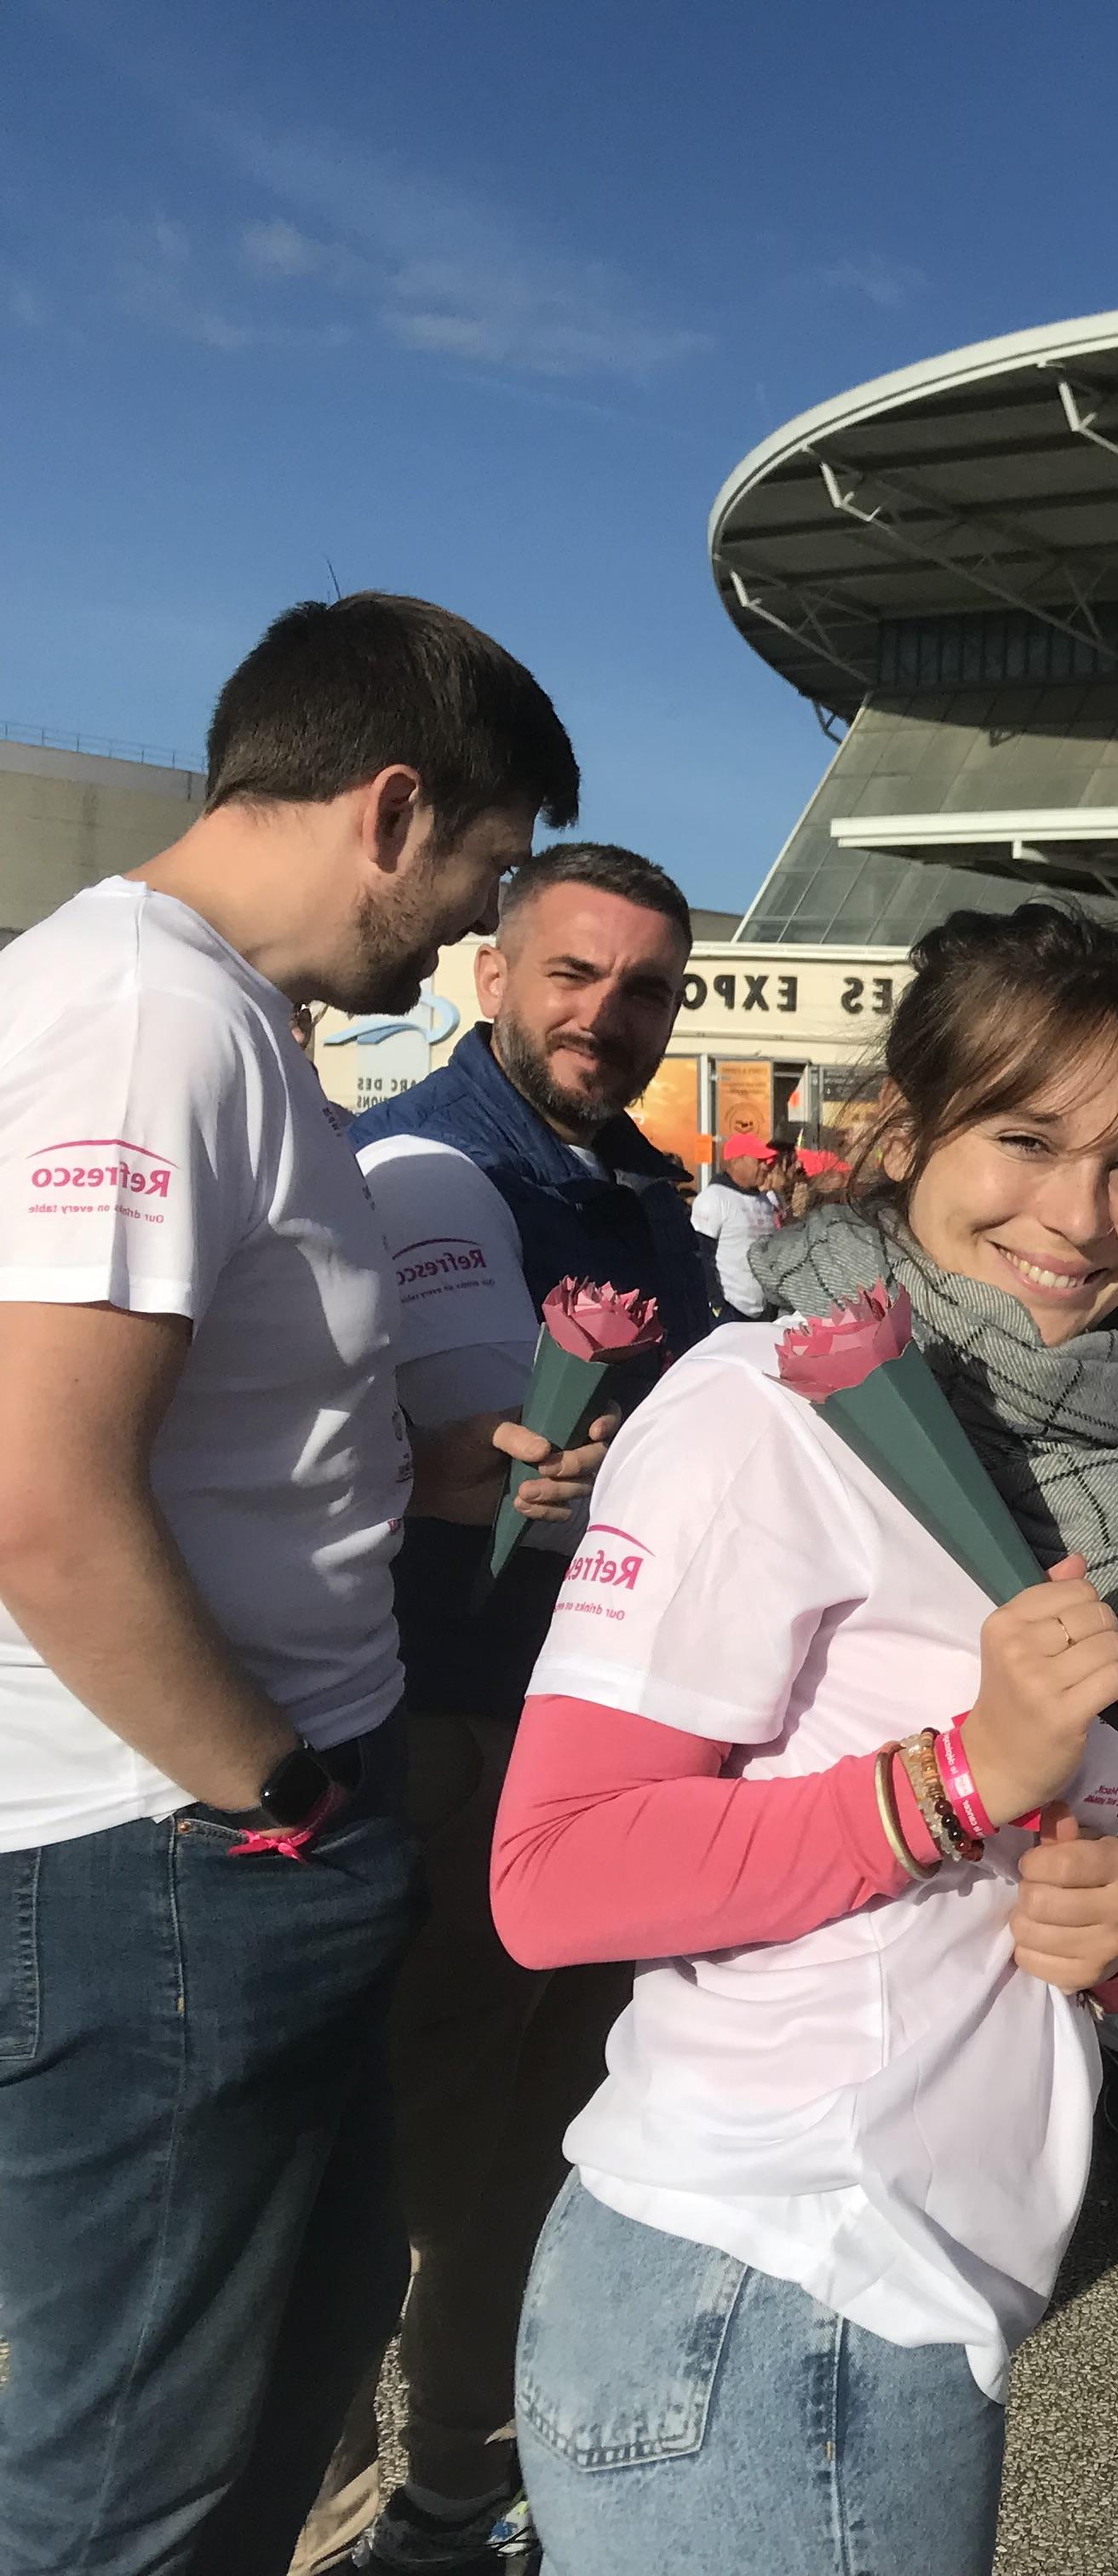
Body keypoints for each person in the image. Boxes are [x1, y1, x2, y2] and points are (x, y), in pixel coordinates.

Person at [489, 904, 1118, 2567]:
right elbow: (551, 1879)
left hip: (908, 2296)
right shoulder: (764, 1413)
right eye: (1026, 1138)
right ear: (902, 1137)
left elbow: (1022, 1883)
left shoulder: (1064, 1463)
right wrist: (955, 1776)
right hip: (765, 2293)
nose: (1081, 1214)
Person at [0, 593, 593, 2574]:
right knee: (135, 2467)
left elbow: (183, 1426)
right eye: (484, 874)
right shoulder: (146, 1014)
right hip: (168, 1845)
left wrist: (409, 1463)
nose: (461, 931)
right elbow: (38, 1493)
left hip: (217, 1844)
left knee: (276, 2370)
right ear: (390, 807)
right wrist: (277, 1805)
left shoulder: (231, 1024)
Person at [309, 839, 704, 2573]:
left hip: (598, 1724)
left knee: (526, 2150)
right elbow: (479, 1445)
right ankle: (313, 2510)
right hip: (458, 1718)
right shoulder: (425, 1166)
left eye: (642, 991)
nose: (604, 1018)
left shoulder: (640, 1185)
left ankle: (452, 2498)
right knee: (398, 2156)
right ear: (494, 975)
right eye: (571, 974)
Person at [694, 1130, 784, 1321]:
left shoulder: (765, 1201)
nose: (765, 1167)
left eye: (766, 1161)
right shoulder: (714, 1198)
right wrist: (716, 1303)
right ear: (736, 1161)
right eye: (758, 1160)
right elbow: (702, 1255)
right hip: (730, 1310)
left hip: (766, 1311)